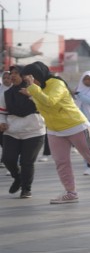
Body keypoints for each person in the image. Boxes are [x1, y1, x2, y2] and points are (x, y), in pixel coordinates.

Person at [20, 62, 90, 204]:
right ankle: (71, 192)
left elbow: (50, 101)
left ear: (37, 75)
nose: (28, 81)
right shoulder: (36, 88)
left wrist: (33, 90)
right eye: (26, 79)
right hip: (54, 130)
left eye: (30, 78)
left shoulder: (56, 83)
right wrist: (31, 93)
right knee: (61, 162)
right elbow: (42, 103)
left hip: (75, 125)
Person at [0, 65, 46, 199]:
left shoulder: (36, 91)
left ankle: (26, 189)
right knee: (7, 159)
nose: (13, 76)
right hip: (12, 131)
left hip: (34, 131)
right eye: (11, 73)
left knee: (27, 162)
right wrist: (1, 122)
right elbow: (2, 112)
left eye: (16, 73)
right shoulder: (6, 94)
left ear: (25, 76)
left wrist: (31, 94)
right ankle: (18, 177)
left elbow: (44, 104)